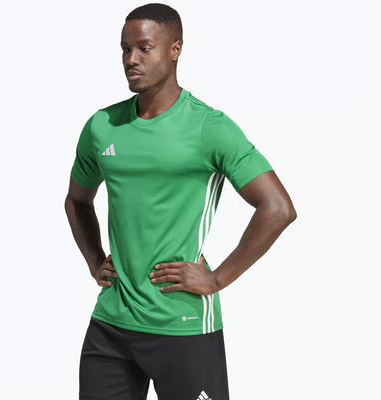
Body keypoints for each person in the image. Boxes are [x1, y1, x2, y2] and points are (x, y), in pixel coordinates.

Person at [64, 3, 297, 400]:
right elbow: (77, 201)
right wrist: (94, 259)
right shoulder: (102, 126)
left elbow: (277, 208)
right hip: (111, 324)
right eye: (125, 49)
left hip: (183, 323)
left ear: (175, 49)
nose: (131, 59)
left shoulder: (209, 127)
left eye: (144, 48)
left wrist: (217, 279)